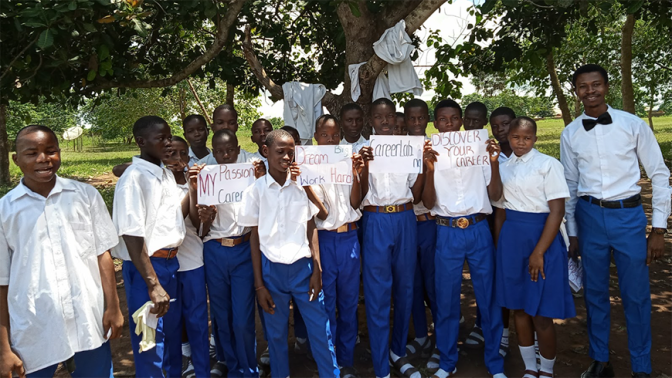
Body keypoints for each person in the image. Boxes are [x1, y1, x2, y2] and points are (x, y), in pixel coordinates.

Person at [561, 64, 670, 378]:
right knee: (594, 292)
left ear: (606, 87)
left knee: (635, 295)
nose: (590, 91)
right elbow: (569, 184)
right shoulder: (570, 133)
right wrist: (572, 231)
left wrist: (659, 228)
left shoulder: (632, 124)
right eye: (583, 86)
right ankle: (600, 359)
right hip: (588, 216)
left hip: (628, 217)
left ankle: (642, 366)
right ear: (576, 91)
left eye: (596, 85)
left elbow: (660, 175)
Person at [0, 125, 123, 378]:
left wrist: (113, 307)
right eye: (31, 153)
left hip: (88, 318)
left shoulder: (85, 196)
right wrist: (3, 348)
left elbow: (103, 255)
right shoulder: (5, 211)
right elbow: (2, 281)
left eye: (51, 151)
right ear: (16, 159)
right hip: (34, 326)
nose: (43, 159)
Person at [238, 129, 340, 378]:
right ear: (265, 152)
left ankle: (331, 374)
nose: (286, 157)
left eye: (291, 153)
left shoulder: (302, 185)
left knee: (320, 330)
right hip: (271, 272)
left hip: (303, 269)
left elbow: (313, 226)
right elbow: (254, 238)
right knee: (275, 335)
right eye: (280, 151)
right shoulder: (256, 191)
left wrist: (317, 268)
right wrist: (259, 285)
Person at [422, 104, 507, 378]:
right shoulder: (429, 153)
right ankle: (448, 360)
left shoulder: (478, 148)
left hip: (478, 228)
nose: (449, 124)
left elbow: (494, 195)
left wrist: (493, 163)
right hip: (446, 230)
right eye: (443, 120)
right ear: (435, 124)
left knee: (488, 297)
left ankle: (495, 362)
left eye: (454, 119)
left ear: (461, 122)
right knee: (446, 299)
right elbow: (427, 202)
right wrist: (430, 169)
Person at [496, 117, 576, 378]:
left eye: (527, 138)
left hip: (542, 239)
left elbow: (557, 211)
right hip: (512, 240)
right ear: (509, 137)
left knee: (541, 313)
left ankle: (547, 370)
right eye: (516, 137)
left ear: (535, 139)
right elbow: (498, 206)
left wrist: (539, 251)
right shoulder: (503, 166)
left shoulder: (548, 165)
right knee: (518, 308)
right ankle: (530, 367)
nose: (521, 142)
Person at [112, 115, 189, 378]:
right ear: (141, 142)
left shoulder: (164, 173)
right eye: (161, 139)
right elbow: (133, 236)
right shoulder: (134, 179)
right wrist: (153, 283)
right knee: (150, 342)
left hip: (170, 264)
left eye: (169, 137)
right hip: (147, 268)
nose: (168, 143)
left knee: (171, 338)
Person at [188, 129, 266, 378]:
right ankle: (231, 365)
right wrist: (205, 215)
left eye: (230, 150)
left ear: (238, 148)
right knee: (221, 315)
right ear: (213, 151)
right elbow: (201, 229)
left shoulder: (251, 171)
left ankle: (248, 368)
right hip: (214, 250)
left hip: (244, 249)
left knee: (242, 318)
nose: (225, 155)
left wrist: (259, 176)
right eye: (219, 151)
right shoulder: (205, 174)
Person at [359, 98, 423, 378]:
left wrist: (421, 164)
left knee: (406, 287)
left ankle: (398, 350)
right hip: (375, 219)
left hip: (405, 217)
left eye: (389, 117)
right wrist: (362, 166)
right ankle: (381, 364)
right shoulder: (359, 151)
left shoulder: (408, 149)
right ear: (370, 120)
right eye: (378, 117)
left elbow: (417, 192)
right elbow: (356, 197)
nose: (384, 122)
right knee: (377, 292)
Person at [302, 115, 365, 378]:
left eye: (335, 135)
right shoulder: (310, 165)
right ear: (316, 137)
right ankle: (330, 364)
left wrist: (354, 172)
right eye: (325, 135)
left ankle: (346, 360)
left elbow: (354, 203)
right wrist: (306, 185)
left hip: (350, 238)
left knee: (349, 303)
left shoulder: (345, 160)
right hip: (325, 241)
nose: (331, 140)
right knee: (326, 305)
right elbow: (324, 215)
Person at [465, 106, 517, 356]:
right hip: (487, 217)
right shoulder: (470, 150)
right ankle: (483, 323)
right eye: (496, 126)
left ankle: (502, 330)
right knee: (487, 274)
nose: (500, 130)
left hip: (515, 220)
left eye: (504, 124)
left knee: (505, 275)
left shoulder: (518, 153)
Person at [162, 136, 210, 378]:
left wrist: (193, 189)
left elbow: (194, 221)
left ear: (189, 157)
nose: (177, 160)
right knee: (171, 322)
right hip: (166, 263)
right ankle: (175, 368)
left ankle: (202, 370)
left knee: (198, 320)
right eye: (170, 154)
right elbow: (169, 222)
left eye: (182, 154)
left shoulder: (199, 183)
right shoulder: (158, 183)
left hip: (192, 260)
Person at [402, 99, 437, 364]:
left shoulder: (440, 146)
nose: (416, 123)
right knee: (411, 282)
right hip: (404, 224)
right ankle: (421, 334)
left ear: (428, 119)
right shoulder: (396, 149)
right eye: (411, 119)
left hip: (429, 223)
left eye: (420, 118)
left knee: (435, 283)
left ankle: (442, 335)